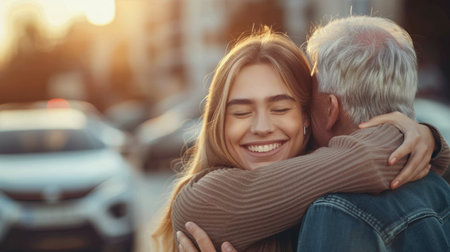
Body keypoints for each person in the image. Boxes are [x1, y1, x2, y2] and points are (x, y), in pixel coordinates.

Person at [153, 23, 450, 251]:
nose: (261, 127)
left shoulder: (329, 186)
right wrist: (418, 137)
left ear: (307, 117)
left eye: (280, 108)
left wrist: (428, 140)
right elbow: (363, 160)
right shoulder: (201, 199)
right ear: (217, 123)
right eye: (241, 113)